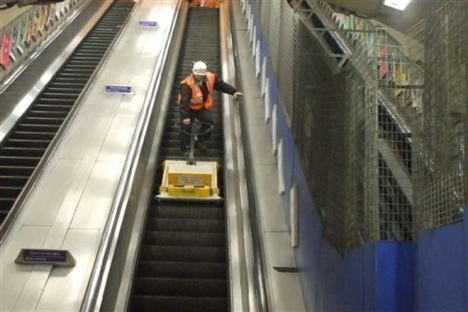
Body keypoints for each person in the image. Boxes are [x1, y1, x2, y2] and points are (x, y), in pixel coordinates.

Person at [178, 61, 243, 155]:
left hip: (202, 107)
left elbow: (221, 85)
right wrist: (185, 117)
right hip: (189, 108)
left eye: (202, 75)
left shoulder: (210, 77)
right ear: (193, 72)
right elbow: (184, 102)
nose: (200, 76)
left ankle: (201, 140)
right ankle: (185, 147)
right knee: (185, 127)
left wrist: (233, 92)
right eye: (198, 75)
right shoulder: (187, 84)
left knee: (208, 123)